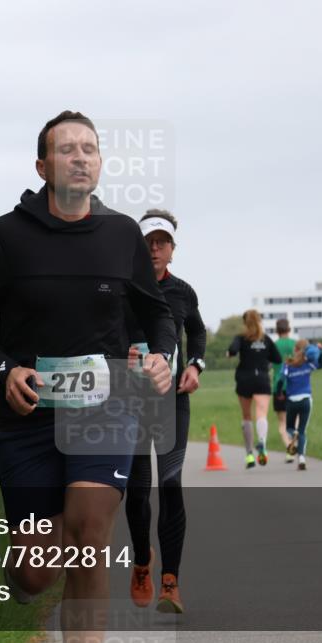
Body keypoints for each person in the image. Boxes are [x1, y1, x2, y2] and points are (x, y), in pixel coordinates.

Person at [0, 111, 176, 643]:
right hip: (29, 417)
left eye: (90, 149)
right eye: (67, 149)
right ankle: (25, 582)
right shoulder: (7, 236)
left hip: (106, 409)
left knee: (88, 533)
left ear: (99, 164)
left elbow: (157, 316)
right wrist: (8, 370)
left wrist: (163, 355)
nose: (80, 157)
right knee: (37, 570)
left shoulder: (122, 234)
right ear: (42, 165)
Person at [124, 209, 206, 615]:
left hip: (172, 401)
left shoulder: (183, 292)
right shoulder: (123, 289)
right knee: (138, 491)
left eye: (162, 242)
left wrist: (195, 365)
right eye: (148, 242)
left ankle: (170, 581)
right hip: (132, 404)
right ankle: (143, 561)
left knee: (170, 483)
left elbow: (199, 331)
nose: (155, 248)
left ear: (173, 249)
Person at [226, 310, 283, 468]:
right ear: (259, 321)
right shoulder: (266, 339)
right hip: (262, 380)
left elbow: (232, 350)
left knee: (246, 416)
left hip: (244, 379)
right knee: (261, 413)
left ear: (245, 322)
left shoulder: (241, 338)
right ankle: (262, 443)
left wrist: (229, 354)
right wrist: (263, 356)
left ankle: (249, 454)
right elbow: (277, 358)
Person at [277, 340, 322, 470]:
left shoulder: (287, 364)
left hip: (292, 401)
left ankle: (294, 434)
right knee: (303, 431)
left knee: (289, 428)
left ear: (295, 350)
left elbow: (281, 379)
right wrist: (320, 351)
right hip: (306, 400)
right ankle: (302, 458)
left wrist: (279, 392)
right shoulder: (307, 364)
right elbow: (321, 365)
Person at [271, 318, 297, 463]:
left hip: (279, 387)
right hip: (295, 386)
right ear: (289, 329)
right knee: (296, 421)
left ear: (277, 330)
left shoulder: (274, 346)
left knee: (282, 423)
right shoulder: (294, 344)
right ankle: (295, 444)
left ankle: (289, 448)